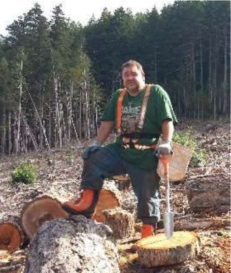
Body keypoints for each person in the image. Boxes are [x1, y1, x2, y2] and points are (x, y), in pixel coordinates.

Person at [62, 59, 178, 239]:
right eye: (126, 75)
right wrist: (97, 143)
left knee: (147, 195)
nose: (130, 78)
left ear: (142, 75)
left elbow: (167, 121)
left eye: (134, 74)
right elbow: (107, 122)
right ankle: (86, 203)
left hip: (146, 152)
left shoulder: (155, 93)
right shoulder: (119, 96)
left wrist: (166, 142)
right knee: (94, 158)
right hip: (121, 148)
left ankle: (148, 231)